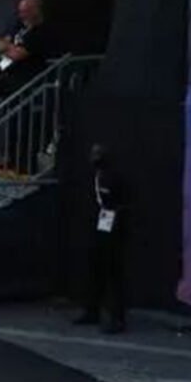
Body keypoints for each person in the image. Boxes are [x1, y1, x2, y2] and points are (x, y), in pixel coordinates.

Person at [76, 142, 127, 333]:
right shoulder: (96, 177)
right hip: (100, 226)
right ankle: (92, 309)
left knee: (114, 273)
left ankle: (117, 318)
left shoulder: (114, 177)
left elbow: (122, 202)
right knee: (94, 269)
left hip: (113, 227)